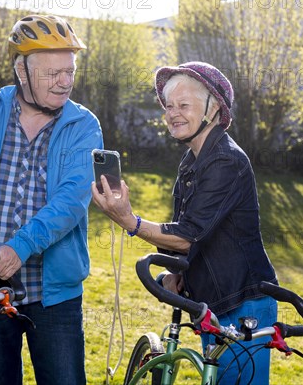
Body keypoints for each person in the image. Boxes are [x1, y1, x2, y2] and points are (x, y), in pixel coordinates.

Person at [0, 14, 103, 385]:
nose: (65, 82)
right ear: (21, 72)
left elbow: (71, 202)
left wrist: (22, 245)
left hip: (54, 296)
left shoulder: (83, 125)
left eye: (70, 71)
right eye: (52, 73)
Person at [91, 62, 278, 384]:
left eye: (183, 105)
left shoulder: (225, 160)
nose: (172, 113)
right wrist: (178, 271)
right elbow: (188, 225)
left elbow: (187, 237)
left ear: (214, 106)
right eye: (169, 106)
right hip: (214, 302)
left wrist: (129, 221)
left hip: (244, 302)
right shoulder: (193, 159)